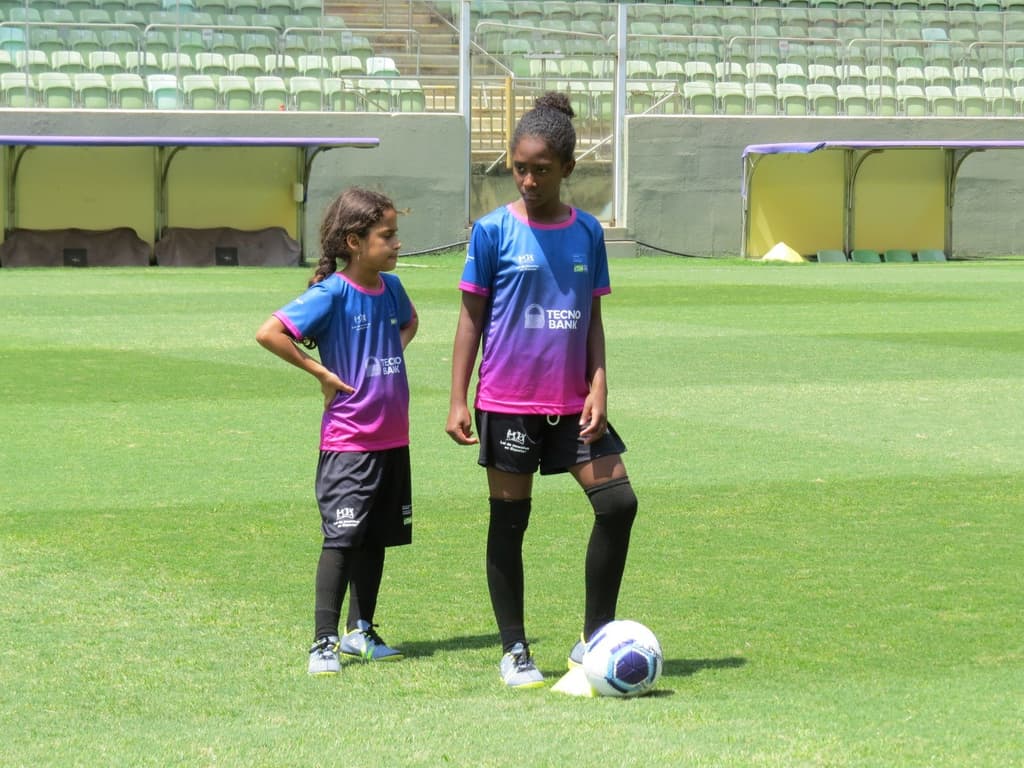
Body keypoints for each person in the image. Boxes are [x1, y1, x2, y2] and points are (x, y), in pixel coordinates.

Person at [445, 93, 638, 689]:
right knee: (510, 521)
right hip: (507, 399)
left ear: (568, 170)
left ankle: (595, 638)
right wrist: (457, 398)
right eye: (519, 167)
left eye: (542, 169)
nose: (528, 179)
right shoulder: (492, 230)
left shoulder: (586, 232)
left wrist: (599, 385)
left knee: (618, 505)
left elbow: (593, 319)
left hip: (573, 401)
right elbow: (470, 318)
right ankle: (514, 650)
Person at [256, 187, 418, 676]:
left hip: (393, 438)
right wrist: (321, 372)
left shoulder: (392, 290)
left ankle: (360, 630)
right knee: (343, 538)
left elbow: (409, 324)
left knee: (375, 538)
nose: (396, 245)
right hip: (350, 441)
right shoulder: (331, 294)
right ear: (354, 240)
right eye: (386, 236)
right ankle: (323, 641)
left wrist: (384, 353)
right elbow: (270, 332)